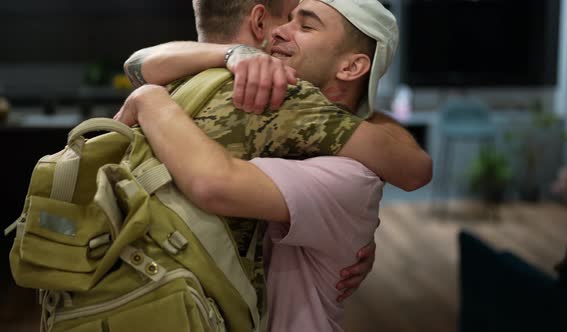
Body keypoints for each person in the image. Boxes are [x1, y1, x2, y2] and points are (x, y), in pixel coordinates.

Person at [117, 0, 432, 330]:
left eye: (306, 26)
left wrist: (148, 98)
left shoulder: (347, 170)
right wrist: (232, 53)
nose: (280, 30)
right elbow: (138, 62)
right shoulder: (274, 105)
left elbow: (416, 169)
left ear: (351, 67)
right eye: (290, 18)